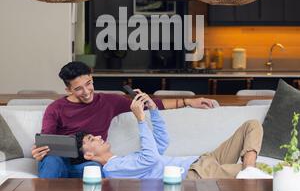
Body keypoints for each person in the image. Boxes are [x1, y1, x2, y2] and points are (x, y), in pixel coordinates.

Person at [32, 61, 216, 178]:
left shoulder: (109, 101)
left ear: (92, 79)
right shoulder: (55, 108)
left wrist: (188, 101)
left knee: (100, 171)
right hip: (62, 160)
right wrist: (39, 151)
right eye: (78, 88)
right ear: (69, 90)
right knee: (52, 160)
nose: (87, 91)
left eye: (88, 84)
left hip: (89, 161)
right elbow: (47, 140)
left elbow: (152, 104)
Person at [76, 91, 264, 180]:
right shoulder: (112, 169)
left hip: (205, 160)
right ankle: (249, 173)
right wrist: (141, 120)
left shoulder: (124, 159)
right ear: (89, 156)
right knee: (267, 174)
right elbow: (150, 158)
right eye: (92, 139)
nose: (99, 137)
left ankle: (248, 171)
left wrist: (153, 110)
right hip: (195, 173)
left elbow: (162, 142)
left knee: (252, 125)